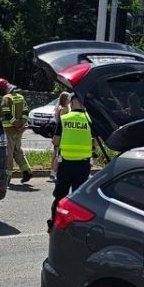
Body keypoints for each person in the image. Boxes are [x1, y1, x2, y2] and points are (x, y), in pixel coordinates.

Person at [51, 96, 99, 227]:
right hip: (83, 165)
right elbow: (97, 142)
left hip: (65, 164)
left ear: (71, 103)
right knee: (78, 198)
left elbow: (55, 141)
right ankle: (74, 225)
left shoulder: (64, 118)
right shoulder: (90, 120)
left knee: (60, 196)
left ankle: (54, 224)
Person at [0, 78, 32, 183]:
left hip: (9, 129)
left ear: (2, 90)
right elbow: (26, 111)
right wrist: (21, 122)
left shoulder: (6, 98)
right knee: (17, 151)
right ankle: (27, 171)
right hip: (19, 130)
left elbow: (6, 112)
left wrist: (15, 123)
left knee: (9, 153)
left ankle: (8, 176)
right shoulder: (20, 97)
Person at [49, 92, 72, 182]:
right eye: (68, 98)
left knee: (55, 153)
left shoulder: (58, 108)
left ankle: (52, 172)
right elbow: (63, 122)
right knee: (59, 154)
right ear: (66, 99)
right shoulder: (65, 108)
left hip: (56, 131)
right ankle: (55, 172)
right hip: (61, 132)